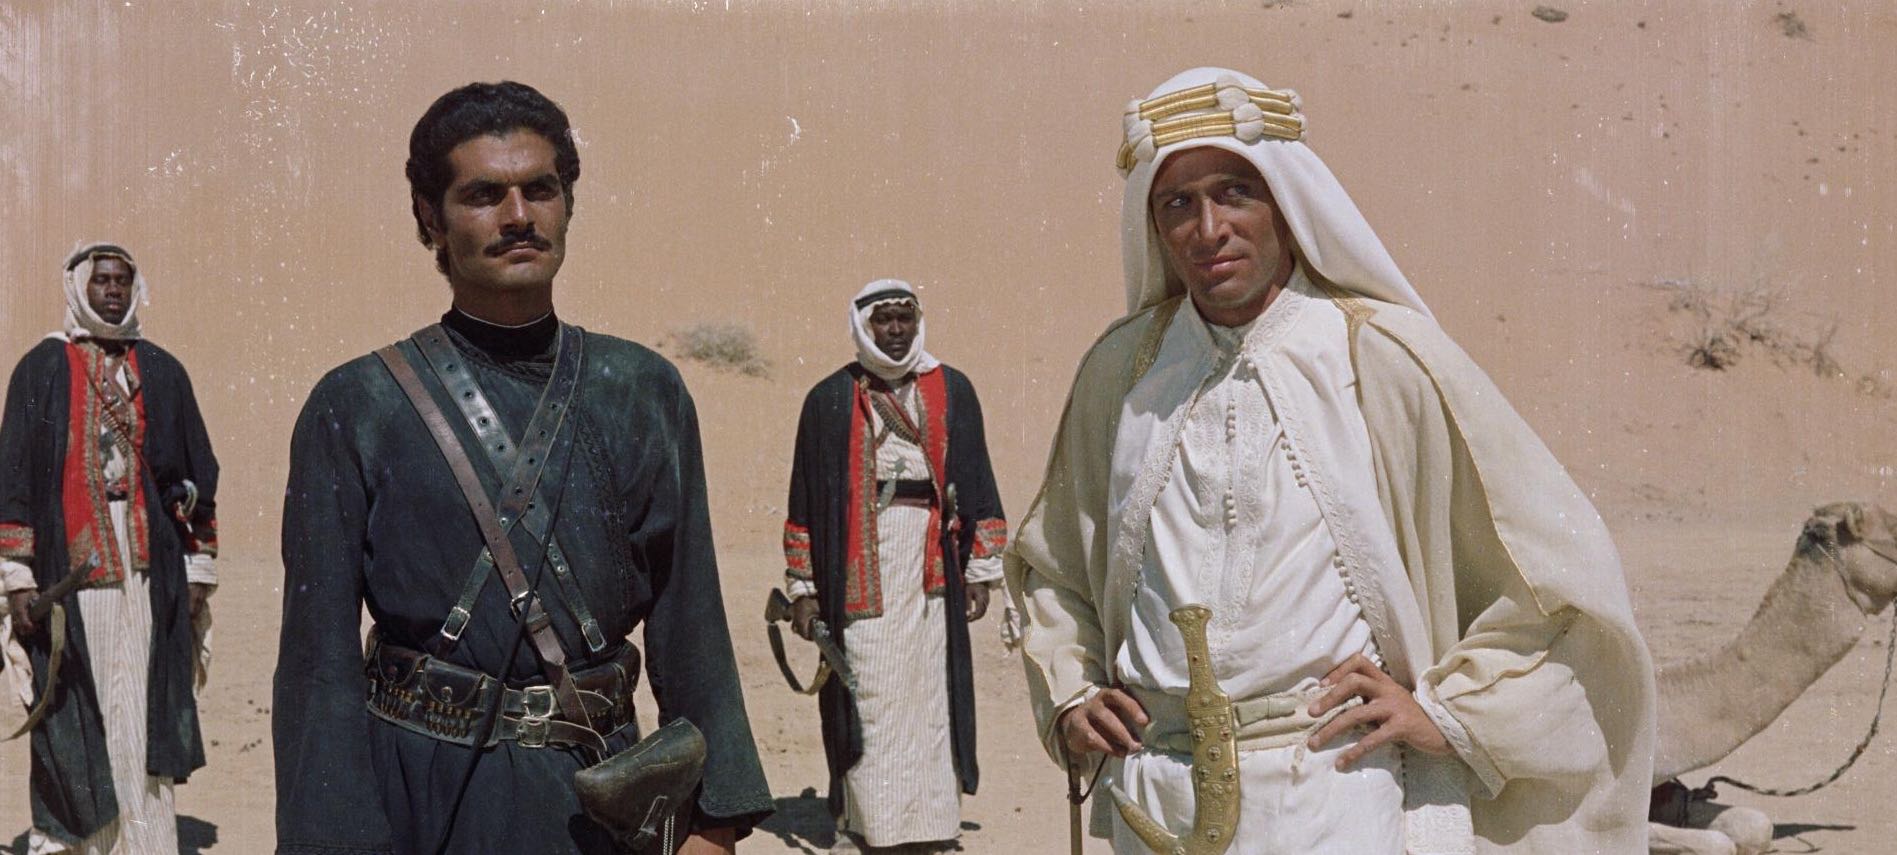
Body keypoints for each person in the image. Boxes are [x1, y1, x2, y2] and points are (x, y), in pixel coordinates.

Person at [1005, 67, 1655, 852]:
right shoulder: (1121, 370)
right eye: (1177, 203)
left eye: (1235, 193)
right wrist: (1071, 693)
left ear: (1286, 203)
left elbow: (1559, 578)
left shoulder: (1381, 356)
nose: (1208, 228)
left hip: (1334, 791)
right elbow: (1055, 567)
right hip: (1157, 796)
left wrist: (1453, 712)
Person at [272, 81, 771, 855]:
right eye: (482, 195)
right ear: (429, 218)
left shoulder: (640, 388)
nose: (517, 216)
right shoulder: (358, 402)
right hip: (422, 792)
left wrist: (712, 818)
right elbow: (317, 660)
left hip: (599, 794)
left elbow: (690, 613)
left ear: (568, 203)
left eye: (540, 189)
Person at [1, 241, 221, 855]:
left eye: (123, 280)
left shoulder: (163, 371)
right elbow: (14, 478)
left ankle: (146, 843)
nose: (114, 291)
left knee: (144, 705)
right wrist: (16, 579)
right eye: (101, 280)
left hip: (152, 565)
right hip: (67, 571)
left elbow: (198, 474)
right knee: (76, 705)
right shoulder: (41, 369)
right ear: (79, 287)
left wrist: (198, 566)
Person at [780, 279, 1007, 852]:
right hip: (856, 570)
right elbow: (803, 500)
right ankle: (869, 826)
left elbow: (976, 479)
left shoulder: (952, 389)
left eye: (905, 317)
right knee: (869, 692)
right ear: (863, 327)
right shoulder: (829, 400)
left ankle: (933, 827)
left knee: (929, 695)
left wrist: (979, 571)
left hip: (932, 568)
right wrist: (804, 588)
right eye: (884, 320)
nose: (897, 330)